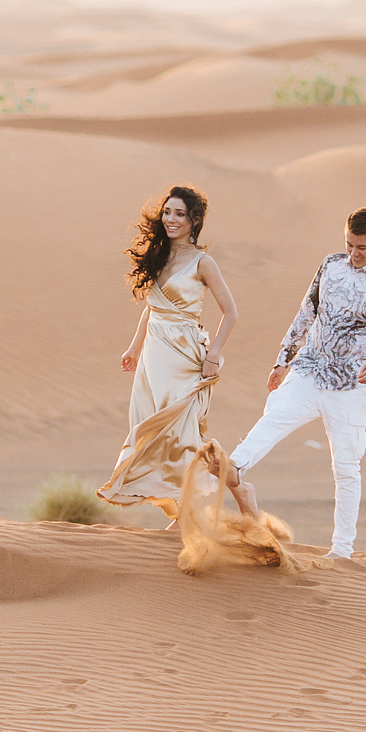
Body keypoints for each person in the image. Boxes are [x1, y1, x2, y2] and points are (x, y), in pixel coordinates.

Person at [223, 207, 366, 559]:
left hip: (351, 385)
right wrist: (282, 360)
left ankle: (342, 551)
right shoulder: (330, 265)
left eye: (362, 247)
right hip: (309, 369)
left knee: (346, 468)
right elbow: (307, 311)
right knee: (273, 419)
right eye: (349, 244)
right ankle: (233, 468)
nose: (354, 253)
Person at [96, 185, 247, 522]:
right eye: (167, 212)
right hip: (154, 357)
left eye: (180, 214)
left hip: (184, 356)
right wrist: (134, 348)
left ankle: (230, 492)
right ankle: (187, 511)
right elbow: (153, 307)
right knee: (153, 433)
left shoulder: (203, 262)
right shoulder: (159, 256)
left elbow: (231, 313)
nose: (171, 219)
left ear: (194, 221)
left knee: (182, 436)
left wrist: (213, 356)